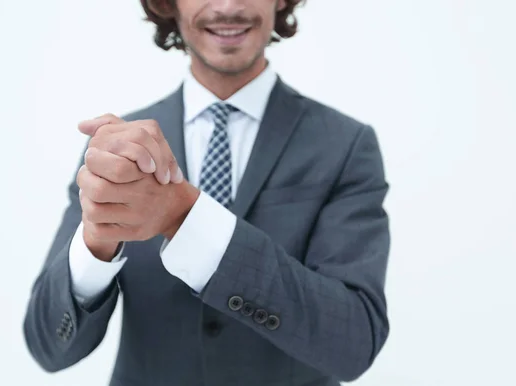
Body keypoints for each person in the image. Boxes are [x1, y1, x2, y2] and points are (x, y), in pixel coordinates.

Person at [23, 0, 391, 385]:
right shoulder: (118, 151)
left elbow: (354, 343)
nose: (229, 6)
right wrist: (97, 243)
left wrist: (184, 215)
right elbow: (47, 347)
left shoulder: (345, 146)